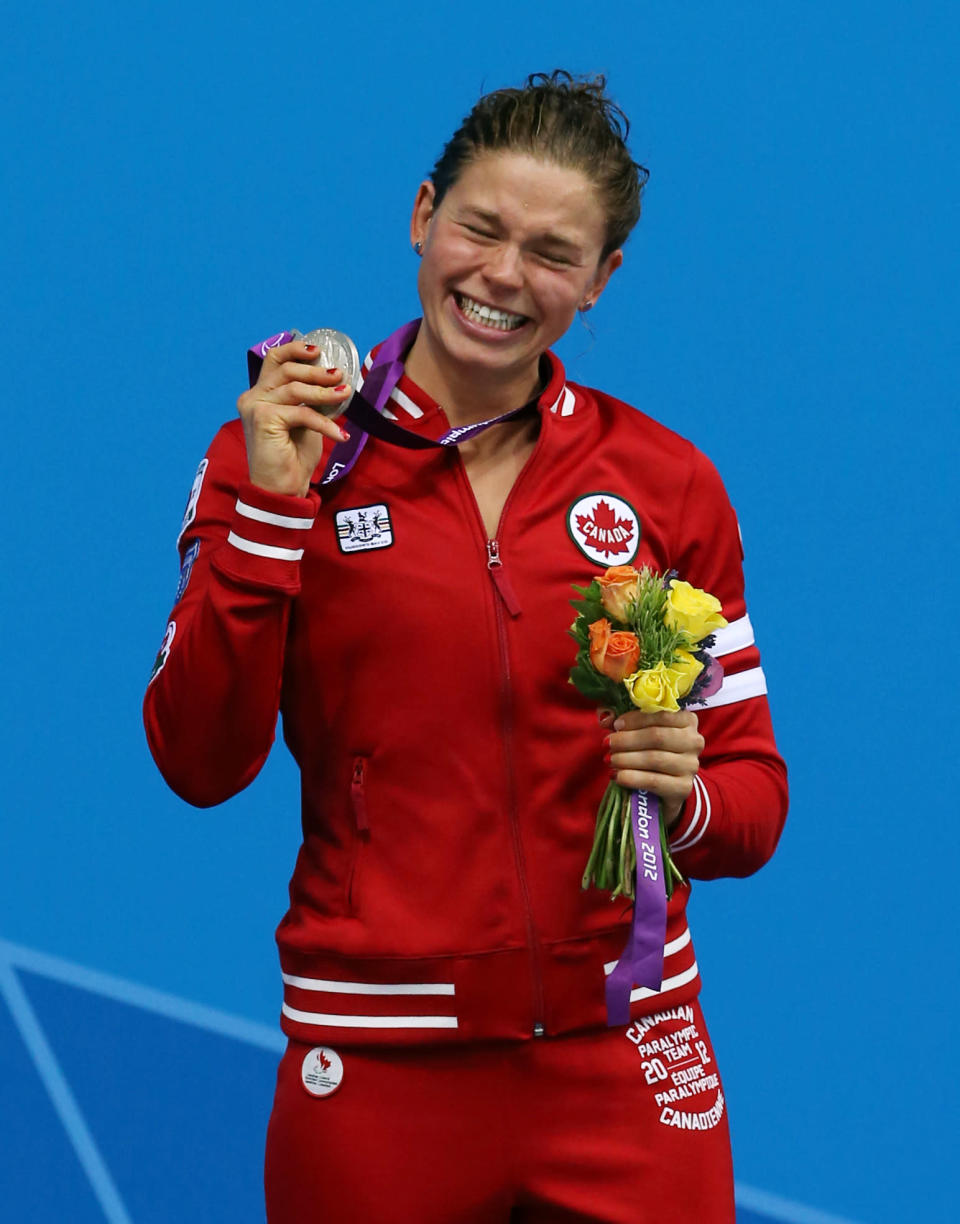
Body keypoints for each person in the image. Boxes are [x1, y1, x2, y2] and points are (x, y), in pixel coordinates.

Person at [144, 71, 787, 1224]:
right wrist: (273, 519)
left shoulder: (665, 483)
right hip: (380, 1073)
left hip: (634, 1059)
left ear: (601, 282)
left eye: (552, 252)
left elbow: (751, 801)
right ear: (422, 215)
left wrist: (677, 804)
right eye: (480, 228)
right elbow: (198, 761)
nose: (501, 277)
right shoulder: (280, 453)